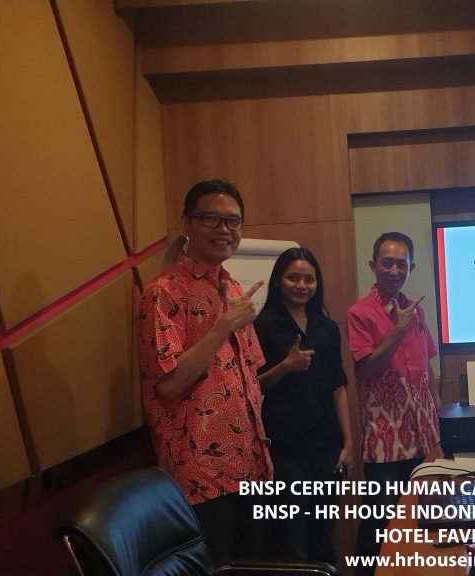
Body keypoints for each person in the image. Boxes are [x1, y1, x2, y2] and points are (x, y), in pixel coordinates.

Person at [137, 179, 269, 565]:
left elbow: (248, 380)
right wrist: (223, 325)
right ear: (187, 223)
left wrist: (263, 451)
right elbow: (169, 384)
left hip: (250, 467)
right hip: (200, 476)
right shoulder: (163, 292)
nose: (224, 229)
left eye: (233, 221)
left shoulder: (232, 288)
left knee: (252, 568)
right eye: (211, 218)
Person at [346, 232, 441, 574]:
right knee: (379, 525)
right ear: (373, 266)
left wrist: (439, 419)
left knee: (420, 521)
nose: (394, 270)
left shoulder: (417, 310)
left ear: (411, 267)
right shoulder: (360, 313)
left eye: (402, 264)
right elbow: (367, 370)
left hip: (423, 436)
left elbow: (428, 367)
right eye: (387, 263)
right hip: (385, 441)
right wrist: (398, 330)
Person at [253, 247, 354, 565]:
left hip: (327, 447)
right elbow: (251, 388)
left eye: (309, 279)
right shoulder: (262, 326)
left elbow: (338, 387)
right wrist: (286, 366)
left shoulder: (327, 327)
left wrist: (348, 443)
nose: (301, 285)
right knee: (293, 542)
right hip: (286, 450)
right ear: (278, 281)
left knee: (323, 538)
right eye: (293, 278)